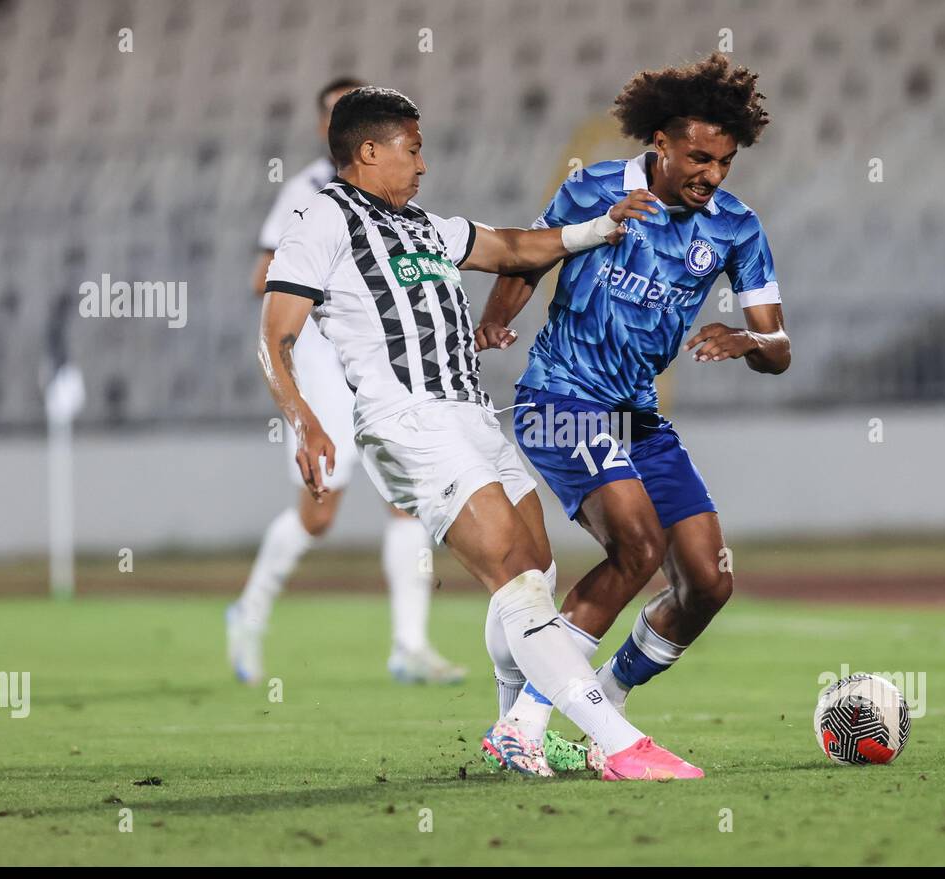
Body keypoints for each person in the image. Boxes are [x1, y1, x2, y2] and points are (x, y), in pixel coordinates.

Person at [258, 85, 703, 780]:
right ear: (369, 150)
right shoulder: (321, 220)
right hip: (407, 421)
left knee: (538, 569)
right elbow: (275, 335)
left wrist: (601, 226)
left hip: (469, 412)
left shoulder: (422, 226)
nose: (423, 163)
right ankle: (619, 742)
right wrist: (304, 420)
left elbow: (516, 247)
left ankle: (514, 735)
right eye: (413, 148)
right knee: (518, 577)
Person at [474, 54, 788, 769]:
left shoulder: (736, 228)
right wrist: (494, 323)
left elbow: (780, 344)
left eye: (725, 162)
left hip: (635, 417)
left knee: (708, 581)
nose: (712, 173)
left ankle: (606, 702)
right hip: (560, 399)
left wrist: (749, 340)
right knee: (638, 546)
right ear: (661, 145)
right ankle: (523, 723)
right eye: (699, 157)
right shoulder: (592, 189)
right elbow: (529, 260)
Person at [228, 77, 465, 686]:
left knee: (405, 504)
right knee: (320, 512)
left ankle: (409, 644)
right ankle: (249, 613)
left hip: (385, 369)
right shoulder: (308, 196)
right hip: (325, 371)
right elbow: (264, 278)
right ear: (328, 133)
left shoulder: (397, 207)